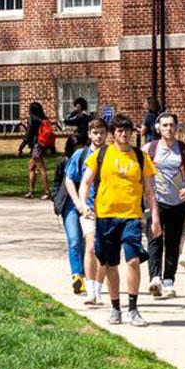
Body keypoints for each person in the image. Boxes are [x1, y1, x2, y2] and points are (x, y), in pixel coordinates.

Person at [79, 114, 160, 327]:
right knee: (110, 263)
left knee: (133, 261)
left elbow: (150, 191)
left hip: (131, 216)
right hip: (105, 216)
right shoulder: (101, 155)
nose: (124, 135)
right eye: (119, 131)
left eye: (127, 131)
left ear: (132, 133)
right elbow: (86, 182)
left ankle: (133, 308)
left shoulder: (141, 158)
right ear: (113, 134)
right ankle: (116, 308)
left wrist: (155, 218)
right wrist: (83, 205)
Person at [145, 111, 185, 298]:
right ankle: (155, 278)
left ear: (176, 127)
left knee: (172, 243)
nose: (168, 128)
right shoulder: (149, 149)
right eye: (165, 125)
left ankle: (168, 282)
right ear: (158, 128)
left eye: (171, 125)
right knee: (154, 241)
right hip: (155, 201)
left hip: (177, 202)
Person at [64, 118, 109, 301]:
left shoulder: (111, 154)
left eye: (102, 133)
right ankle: (90, 289)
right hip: (88, 209)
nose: (99, 136)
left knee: (103, 251)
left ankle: (97, 287)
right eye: (95, 133)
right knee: (89, 248)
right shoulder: (81, 155)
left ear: (107, 134)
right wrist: (79, 204)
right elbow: (69, 180)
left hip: (107, 209)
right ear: (90, 134)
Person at [19, 101, 52, 199]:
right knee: (31, 168)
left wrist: (21, 147)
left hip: (36, 146)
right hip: (41, 146)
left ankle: (47, 192)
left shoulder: (32, 119)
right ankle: (31, 191)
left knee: (41, 169)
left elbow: (28, 135)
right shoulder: (43, 119)